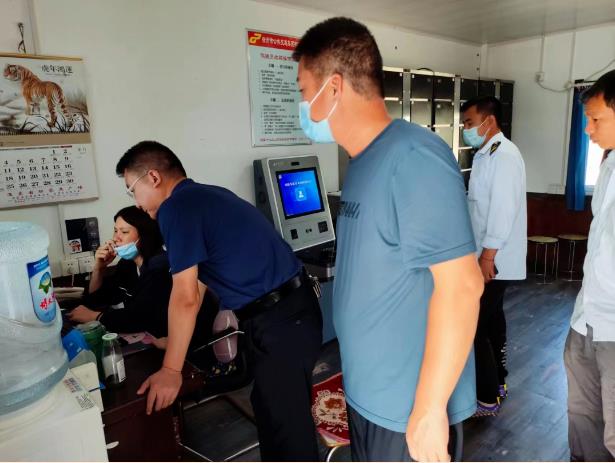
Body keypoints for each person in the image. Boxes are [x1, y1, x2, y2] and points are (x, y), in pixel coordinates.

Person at [293, 17, 483, 462]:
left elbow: (462, 287)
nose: (302, 106)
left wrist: (429, 411)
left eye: (304, 92)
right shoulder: (361, 163)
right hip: (369, 394)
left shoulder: (413, 157)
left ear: (333, 88)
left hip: (406, 410)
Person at [115, 141, 323, 461]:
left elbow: (185, 297)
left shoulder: (176, 208)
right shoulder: (206, 196)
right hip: (288, 313)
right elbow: (198, 286)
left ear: (153, 177)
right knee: (272, 412)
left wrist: (171, 369)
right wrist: (175, 345)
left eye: (132, 190)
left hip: (281, 319)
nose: (137, 204)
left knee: (288, 430)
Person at [461, 96, 527, 416]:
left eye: (469, 123)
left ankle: (486, 397)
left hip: (494, 259)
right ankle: (498, 381)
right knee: (492, 320)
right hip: (486, 255)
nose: (465, 129)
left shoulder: (504, 156)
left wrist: (487, 258)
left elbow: (502, 211)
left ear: (489, 121)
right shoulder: (486, 154)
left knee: (473, 325)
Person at [67, 206, 210, 347]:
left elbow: (141, 317)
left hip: (179, 343)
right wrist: (99, 268)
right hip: (152, 338)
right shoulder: (127, 264)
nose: (116, 238)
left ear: (144, 235)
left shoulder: (161, 266)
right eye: (115, 230)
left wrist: (96, 317)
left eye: (124, 232)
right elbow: (97, 299)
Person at [565, 69, 615, 461]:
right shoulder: (609, 166)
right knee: (582, 417)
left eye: (596, 119)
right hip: (586, 320)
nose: (587, 129)